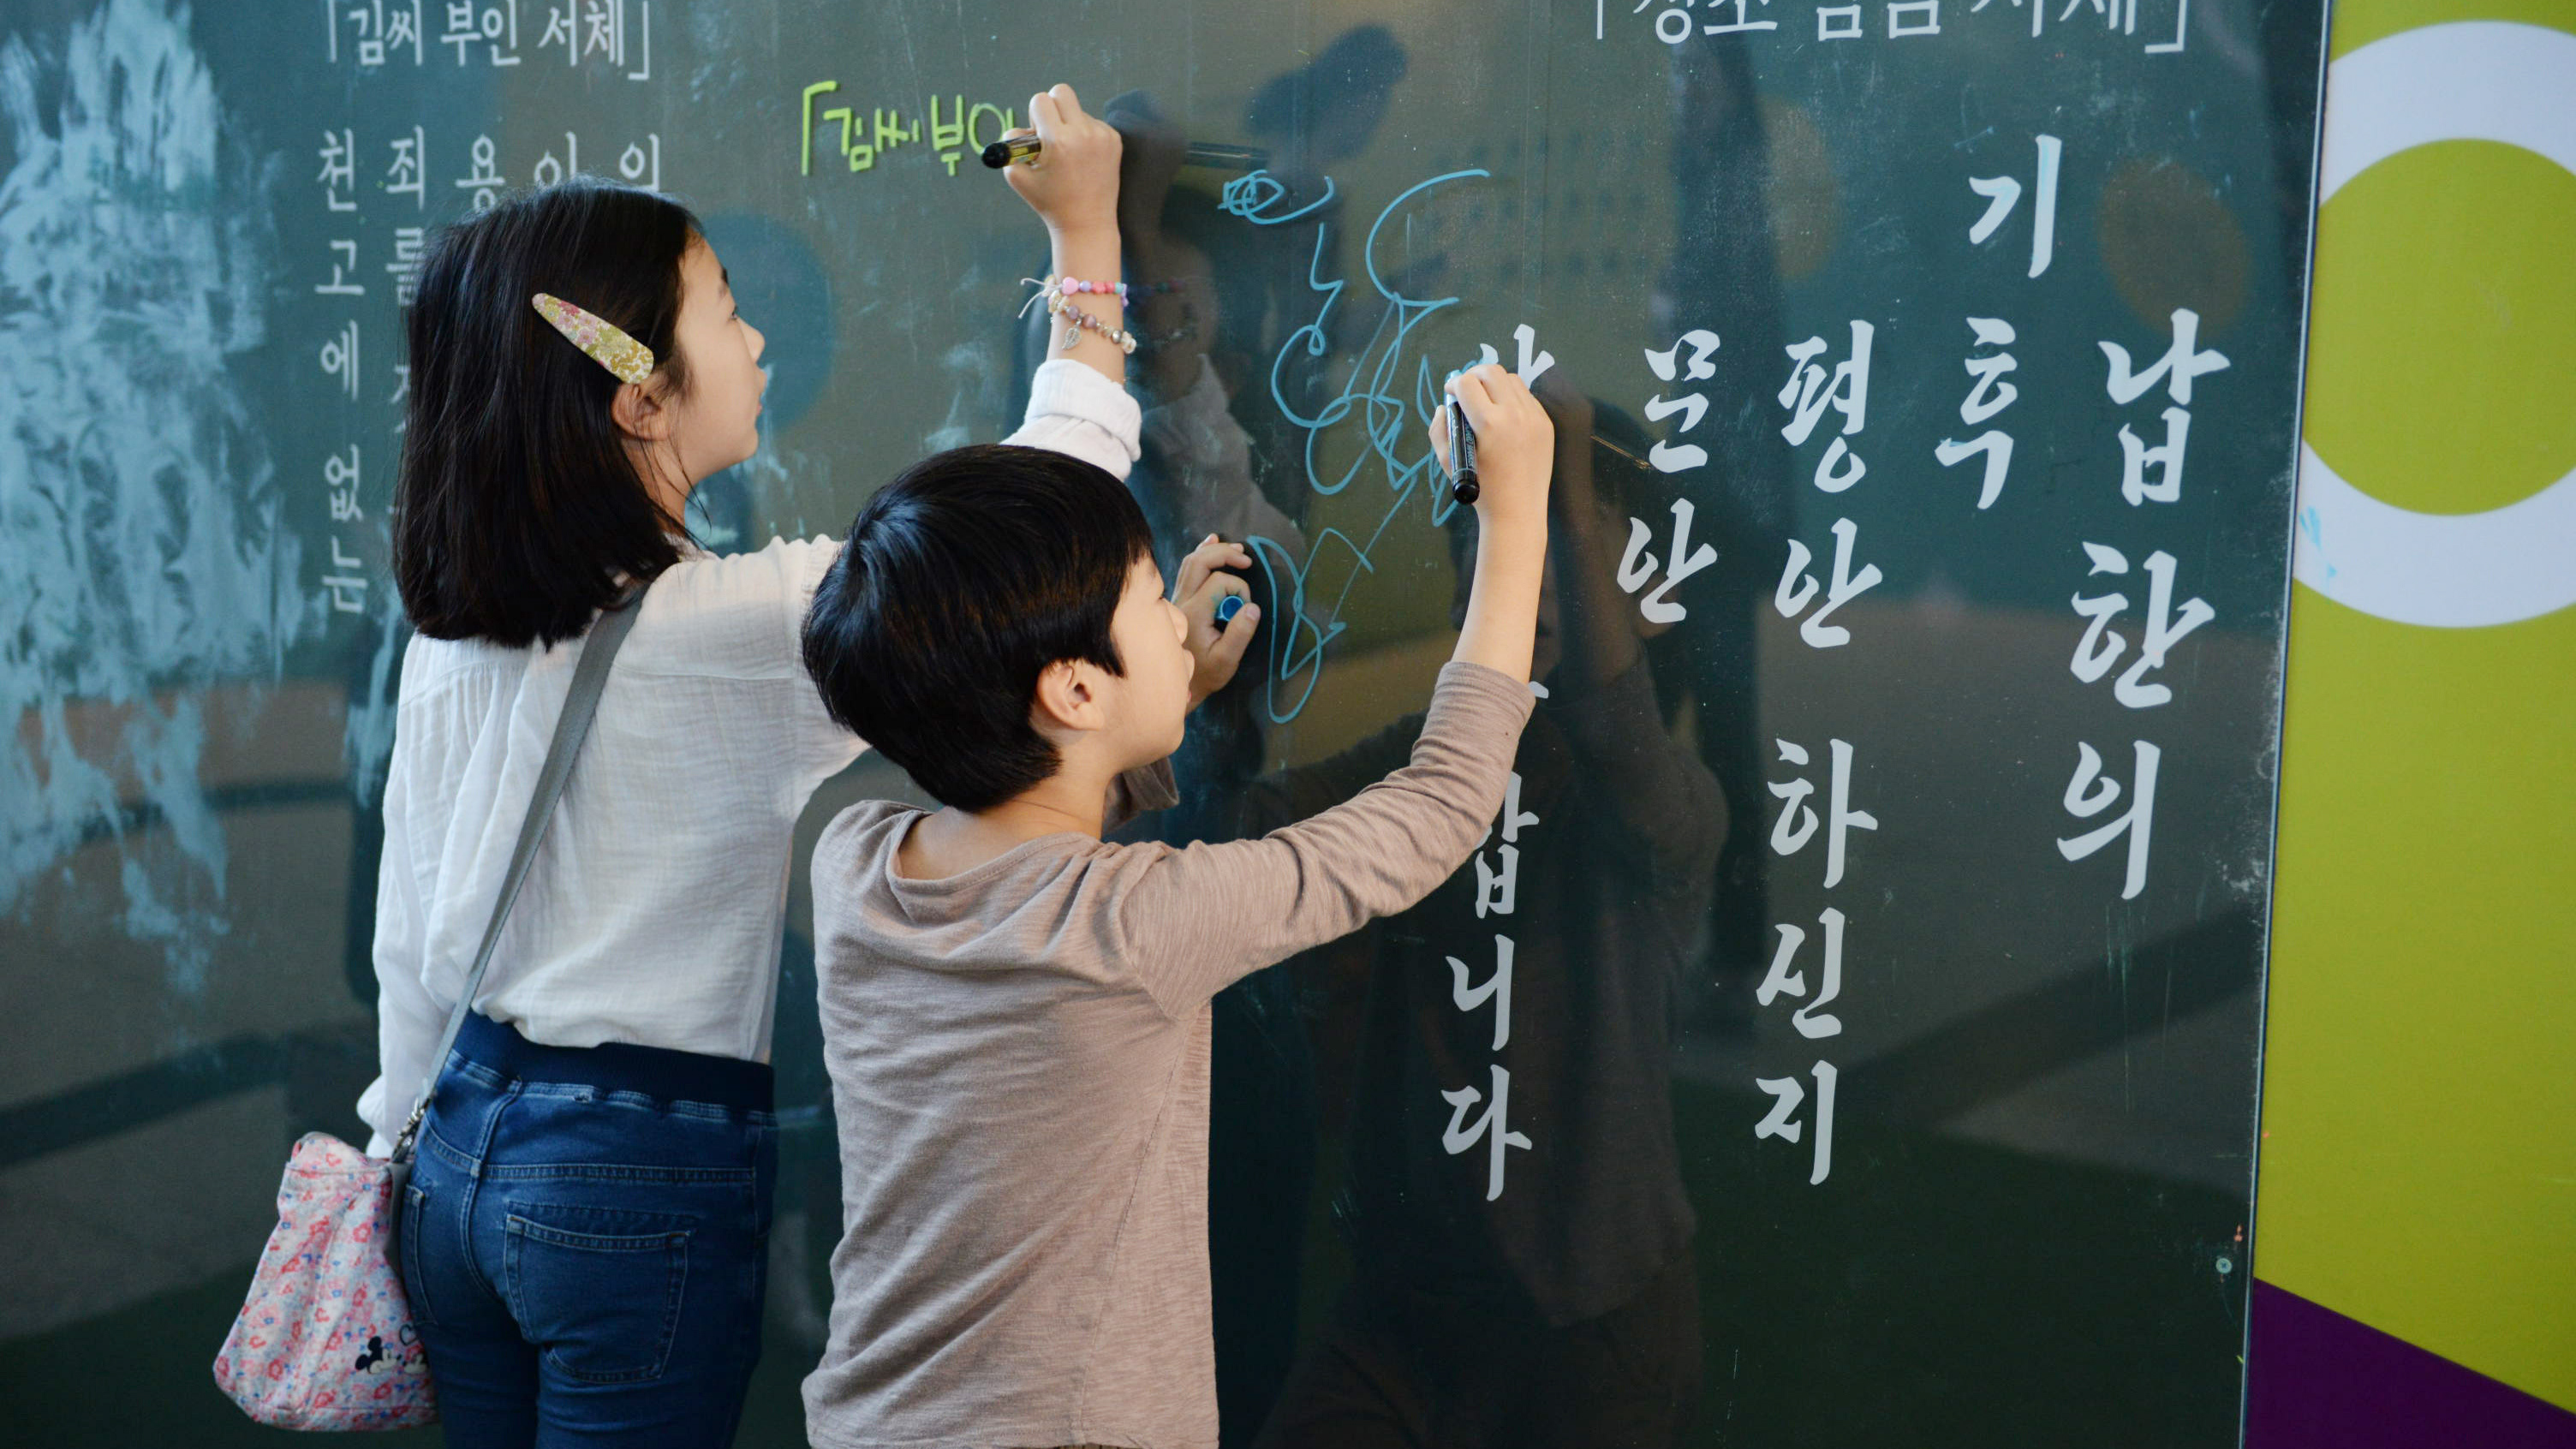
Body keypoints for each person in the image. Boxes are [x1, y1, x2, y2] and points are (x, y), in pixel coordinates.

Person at [362, 85, 1169, 1447]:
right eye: (726, 311)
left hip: (452, 1155)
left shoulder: (452, 632)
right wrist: (1085, 243)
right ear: (641, 398)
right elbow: (1028, 538)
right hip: (631, 1175)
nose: (755, 343)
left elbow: (409, 930)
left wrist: (397, 1140)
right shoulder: (726, 631)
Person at [793, 364, 1554, 1449]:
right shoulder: (1135, 929)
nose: (1174, 620)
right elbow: (1436, 811)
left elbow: (1032, 843)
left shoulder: (856, 866)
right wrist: (1514, 519)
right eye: (1151, 600)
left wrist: (1154, 697)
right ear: (1073, 690)